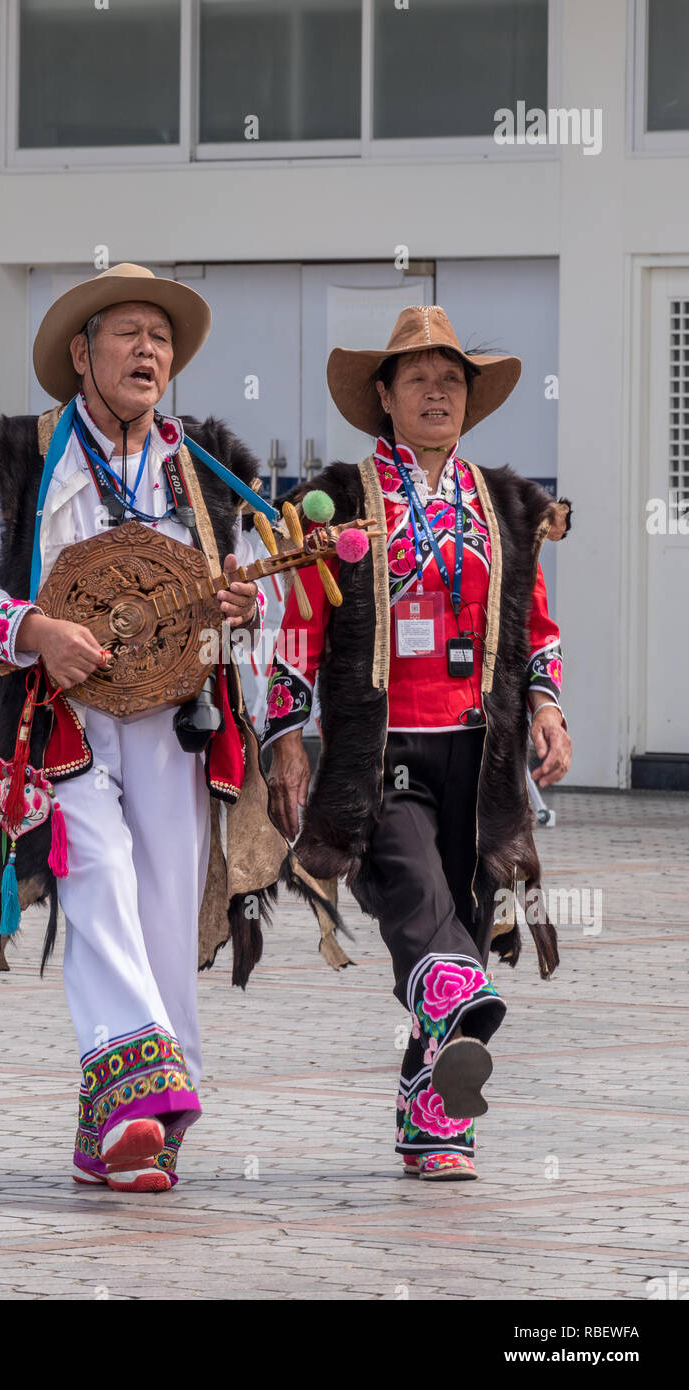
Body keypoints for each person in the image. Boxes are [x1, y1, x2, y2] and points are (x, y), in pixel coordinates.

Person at [0, 263, 329, 1193]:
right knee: (99, 871)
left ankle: (120, 1120)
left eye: (161, 337)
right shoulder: (18, 460)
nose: (149, 351)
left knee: (163, 908)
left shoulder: (208, 467)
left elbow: (258, 613)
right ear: (81, 354)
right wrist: (32, 629)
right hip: (59, 722)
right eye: (128, 334)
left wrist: (238, 615)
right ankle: (147, 1097)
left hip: (176, 725)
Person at [263, 304, 572, 1181]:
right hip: (379, 746)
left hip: (481, 750)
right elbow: (298, 627)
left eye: (452, 380)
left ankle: (434, 1121)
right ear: (384, 396)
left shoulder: (509, 503)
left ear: (468, 401)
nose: (437, 392)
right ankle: (457, 1008)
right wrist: (288, 740)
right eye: (418, 379)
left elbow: (535, 628)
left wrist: (548, 709)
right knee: (411, 888)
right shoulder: (339, 500)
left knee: (463, 922)